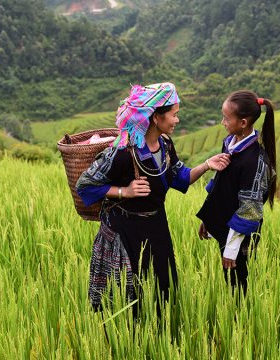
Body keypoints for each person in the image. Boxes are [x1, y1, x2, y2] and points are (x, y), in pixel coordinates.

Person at [76, 82, 230, 311]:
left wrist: (207, 165)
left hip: (156, 227)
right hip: (124, 232)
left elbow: (180, 177)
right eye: (174, 115)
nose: (177, 120)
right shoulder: (122, 152)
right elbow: (85, 185)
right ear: (156, 117)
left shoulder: (165, 146)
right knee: (126, 296)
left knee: (161, 290)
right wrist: (123, 191)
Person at [196, 90, 277, 296]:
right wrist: (208, 217)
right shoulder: (229, 143)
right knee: (229, 280)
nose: (223, 122)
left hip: (241, 236)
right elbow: (220, 184)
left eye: (226, 118)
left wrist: (231, 249)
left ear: (243, 123)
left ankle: (242, 322)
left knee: (239, 285)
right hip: (225, 225)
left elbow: (249, 209)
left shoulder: (255, 161)